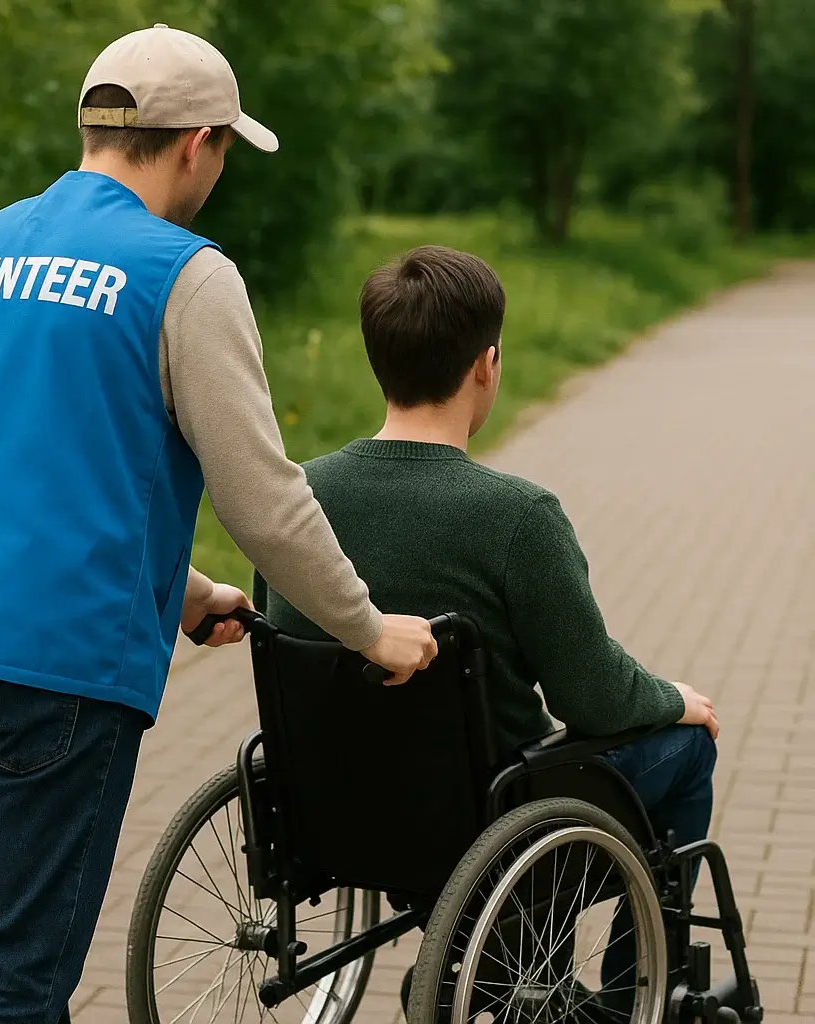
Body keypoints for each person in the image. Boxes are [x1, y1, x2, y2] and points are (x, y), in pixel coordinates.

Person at [0, 25, 437, 1024]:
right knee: (13, 982)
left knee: (10, 943)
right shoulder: (184, 273)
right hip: (50, 678)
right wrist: (366, 625)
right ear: (197, 142)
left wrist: (182, 593)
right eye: (221, 152)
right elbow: (263, 500)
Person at [257, 245, 719, 1017]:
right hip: (488, 813)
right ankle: (618, 994)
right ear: (487, 364)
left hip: (334, 800)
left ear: (378, 359)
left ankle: (500, 957)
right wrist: (674, 700)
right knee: (686, 747)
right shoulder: (516, 517)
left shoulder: (297, 496)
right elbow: (595, 697)